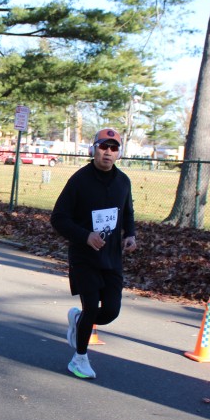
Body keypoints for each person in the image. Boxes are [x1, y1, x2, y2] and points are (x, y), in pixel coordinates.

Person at [51, 128, 137, 380]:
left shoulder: (123, 181)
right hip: (84, 256)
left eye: (113, 148)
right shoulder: (79, 180)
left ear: (119, 153)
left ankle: (78, 322)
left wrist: (130, 234)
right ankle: (79, 359)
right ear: (94, 149)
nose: (108, 152)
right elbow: (58, 218)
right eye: (103, 147)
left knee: (110, 311)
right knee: (90, 307)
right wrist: (85, 235)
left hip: (112, 257)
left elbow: (127, 212)